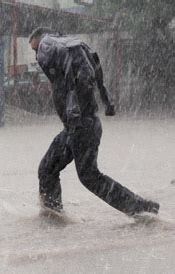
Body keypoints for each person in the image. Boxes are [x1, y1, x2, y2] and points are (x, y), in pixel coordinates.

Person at [29, 27, 159, 217]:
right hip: (74, 128)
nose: (37, 57)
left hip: (82, 127)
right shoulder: (73, 57)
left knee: (89, 176)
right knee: (47, 169)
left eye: (35, 50)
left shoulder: (50, 47)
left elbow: (78, 79)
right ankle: (53, 216)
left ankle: (140, 207)